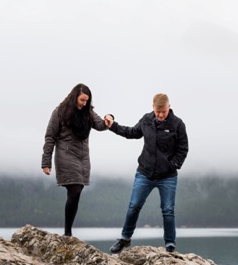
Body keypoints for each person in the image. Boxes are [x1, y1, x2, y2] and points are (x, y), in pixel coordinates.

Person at [104, 93, 189, 253]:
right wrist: (113, 125)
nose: (161, 115)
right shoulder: (146, 120)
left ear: (168, 107)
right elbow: (131, 132)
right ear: (153, 108)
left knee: (168, 210)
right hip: (145, 172)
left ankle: (170, 246)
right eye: (158, 112)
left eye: (163, 111)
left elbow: (183, 148)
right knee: (134, 206)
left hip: (168, 176)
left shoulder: (178, 124)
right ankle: (124, 239)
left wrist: (173, 165)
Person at [42, 83, 108, 237]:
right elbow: (50, 136)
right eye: (82, 100)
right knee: (75, 189)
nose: (84, 104)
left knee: (76, 193)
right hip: (66, 154)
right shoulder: (60, 111)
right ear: (74, 97)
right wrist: (46, 162)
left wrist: (109, 118)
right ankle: (68, 232)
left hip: (83, 157)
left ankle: (68, 231)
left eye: (87, 101)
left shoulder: (88, 112)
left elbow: (99, 124)